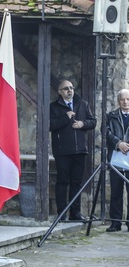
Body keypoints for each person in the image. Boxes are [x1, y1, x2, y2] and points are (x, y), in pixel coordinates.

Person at [50, 80, 97, 221]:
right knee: (62, 181)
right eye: (66, 89)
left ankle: (75, 213)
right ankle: (62, 213)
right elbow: (50, 125)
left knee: (77, 182)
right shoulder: (54, 107)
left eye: (71, 88)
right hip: (62, 151)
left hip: (80, 150)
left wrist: (83, 123)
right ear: (60, 92)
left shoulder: (82, 104)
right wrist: (66, 117)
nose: (69, 90)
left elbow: (93, 122)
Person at [106, 89, 129, 232]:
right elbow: (106, 132)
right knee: (115, 192)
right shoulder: (112, 116)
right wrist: (118, 143)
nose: (125, 102)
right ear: (118, 101)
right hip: (116, 158)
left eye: (128, 99)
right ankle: (115, 222)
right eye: (122, 99)